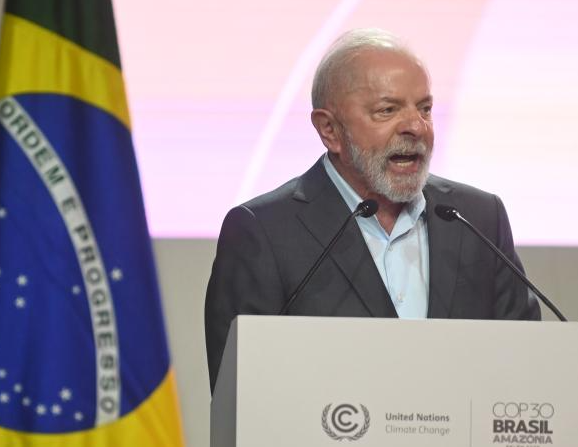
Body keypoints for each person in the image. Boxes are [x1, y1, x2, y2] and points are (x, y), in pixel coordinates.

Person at [204, 28, 540, 391]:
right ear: (330, 130)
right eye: (387, 110)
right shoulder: (265, 232)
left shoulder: (479, 218)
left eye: (425, 108)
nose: (416, 126)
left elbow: (525, 367)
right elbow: (242, 394)